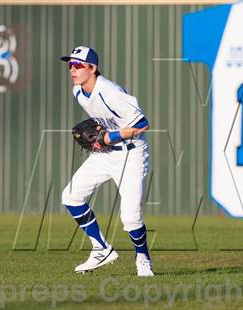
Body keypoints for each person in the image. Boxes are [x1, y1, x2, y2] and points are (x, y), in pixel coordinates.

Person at [61, 46, 154, 277]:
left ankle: (142, 258)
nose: (73, 69)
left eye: (78, 65)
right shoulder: (78, 92)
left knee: (130, 218)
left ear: (92, 68)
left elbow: (142, 124)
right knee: (70, 196)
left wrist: (107, 136)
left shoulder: (110, 91)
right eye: (70, 64)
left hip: (131, 154)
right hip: (105, 154)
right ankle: (101, 248)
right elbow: (104, 123)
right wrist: (100, 137)